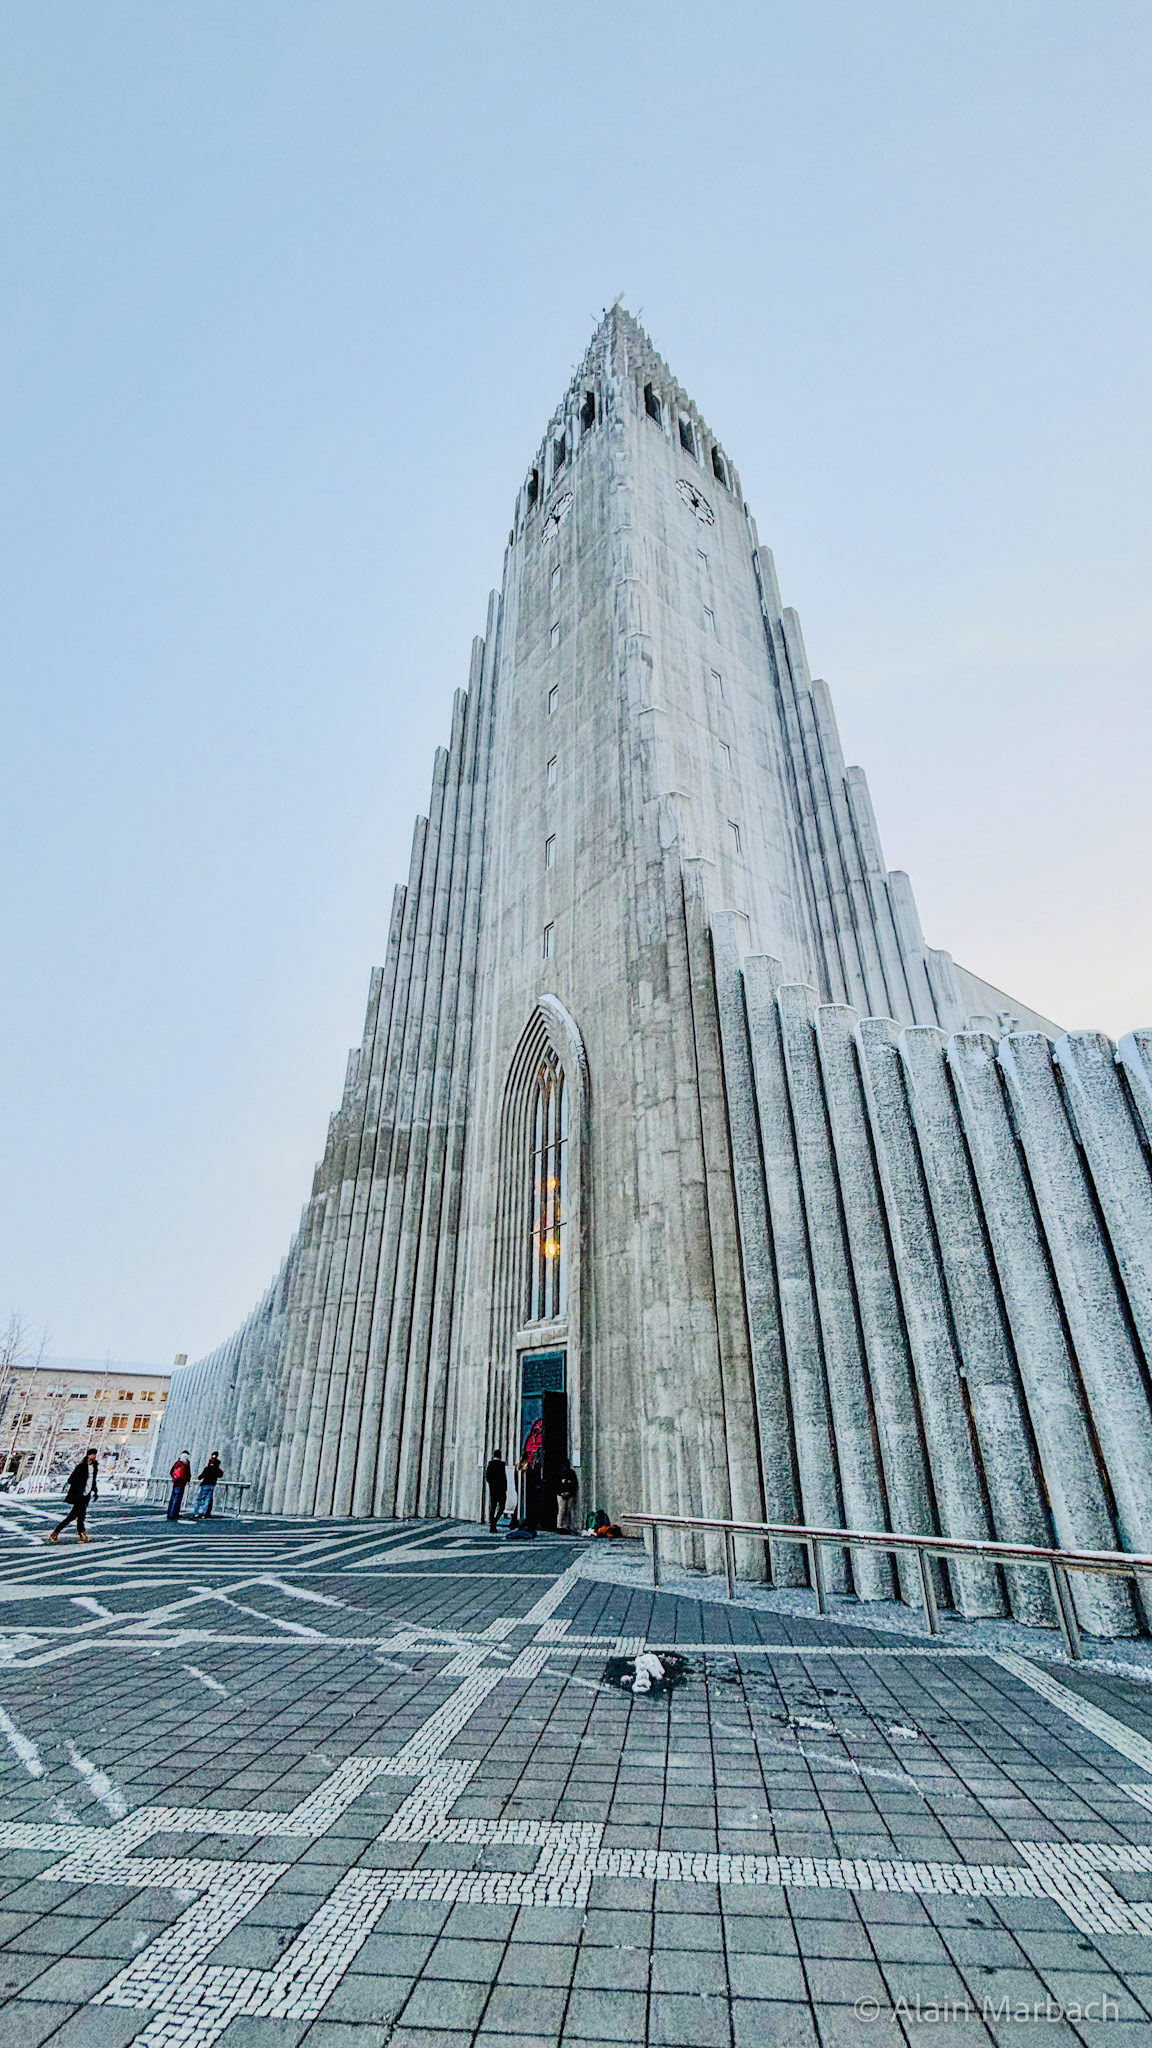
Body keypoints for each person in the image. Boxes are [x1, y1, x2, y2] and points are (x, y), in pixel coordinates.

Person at [46, 1450, 98, 1543]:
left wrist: (95, 1490)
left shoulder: (94, 1467)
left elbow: (93, 1480)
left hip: (87, 1494)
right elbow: (71, 1480)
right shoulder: (81, 1467)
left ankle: (81, 1535)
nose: (94, 1456)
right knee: (73, 1516)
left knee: (81, 1516)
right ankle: (56, 1533)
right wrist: (79, 1486)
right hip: (79, 1495)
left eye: (95, 1454)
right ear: (88, 1455)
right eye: (92, 1454)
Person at [194, 1453, 223, 1519]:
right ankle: (204, 1514)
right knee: (207, 1500)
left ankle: (196, 1513)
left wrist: (200, 1477)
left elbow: (200, 1477)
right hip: (212, 1486)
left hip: (205, 1485)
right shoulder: (216, 1469)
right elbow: (220, 1475)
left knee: (200, 1499)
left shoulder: (207, 1469)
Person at [484, 1450, 507, 1533]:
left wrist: (492, 1485)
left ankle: (492, 1524)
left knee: (493, 1507)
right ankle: (494, 1522)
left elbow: (487, 1478)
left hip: (493, 1489)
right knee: (502, 1507)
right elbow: (504, 1478)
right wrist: (505, 1488)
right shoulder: (502, 1465)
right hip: (501, 1489)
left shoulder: (490, 1464)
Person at [556, 1461, 579, 1533]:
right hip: (562, 1494)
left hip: (569, 1494)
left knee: (567, 1510)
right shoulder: (560, 1473)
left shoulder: (571, 1473)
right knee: (562, 1510)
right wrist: (561, 1493)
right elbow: (557, 1484)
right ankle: (560, 1526)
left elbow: (574, 1484)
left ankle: (565, 1526)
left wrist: (569, 1492)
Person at [168, 1453, 192, 1520]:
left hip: (175, 1484)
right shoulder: (185, 1464)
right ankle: (174, 1514)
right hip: (181, 1484)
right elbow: (188, 1474)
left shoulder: (177, 1463)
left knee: (173, 1499)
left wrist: (174, 1478)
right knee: (177, 1500)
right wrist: (187, 1480)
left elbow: (171, 1472)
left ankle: (170, 1513)